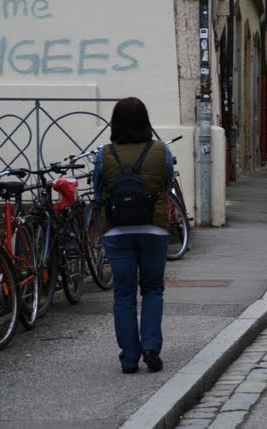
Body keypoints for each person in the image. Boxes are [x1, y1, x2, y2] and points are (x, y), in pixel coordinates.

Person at [93, 97, 174, 374]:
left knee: (123, 294)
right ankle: (150, 346)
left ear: (115, 123)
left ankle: (129, 358)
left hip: (117, 230)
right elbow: (167, 183)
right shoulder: (161, 150)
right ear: (145, 120)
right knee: (153, 289)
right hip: (153, 228)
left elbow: (98, 190)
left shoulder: (105, 153)